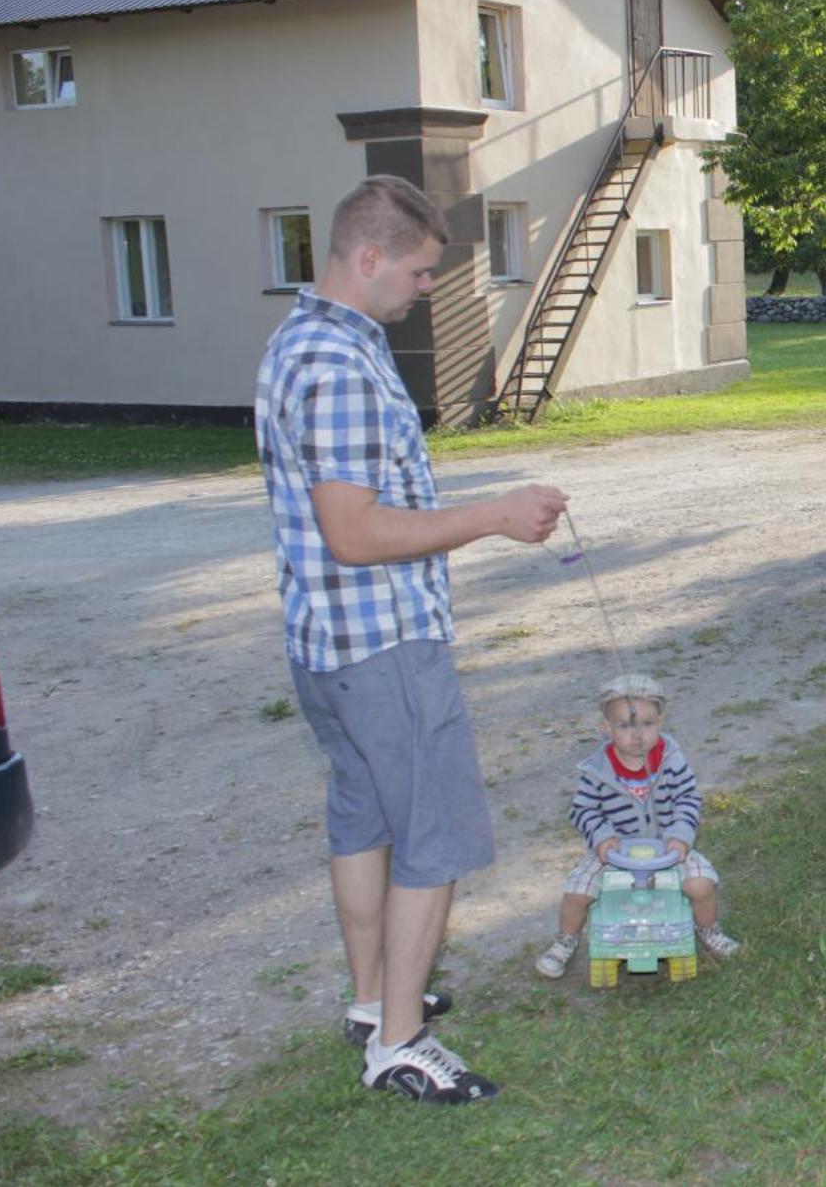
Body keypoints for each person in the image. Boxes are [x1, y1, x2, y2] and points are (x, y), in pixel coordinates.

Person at [255, 174, 568, 1104]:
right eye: (422, 271)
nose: (427, 287)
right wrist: (495, 516)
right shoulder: (344, 366)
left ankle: (370, 1001)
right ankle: (399, 1040)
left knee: (364, 822)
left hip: (326, 646)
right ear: (368, 257)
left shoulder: (300, 339)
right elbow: (354, 531)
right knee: (432, 836)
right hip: (382, 646)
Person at [536, 672, 740, 978]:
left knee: (700, 885)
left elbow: (688, 799)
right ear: (606, 728)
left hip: (668, 850)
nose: (637, 735)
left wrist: (681, 838)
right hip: (615, 853)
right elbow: (583, 810)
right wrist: (603, 839)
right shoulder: (596, 771)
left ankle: (709, 930)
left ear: (660, 722)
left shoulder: (671, 760)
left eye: (647, 724)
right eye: (625, 725)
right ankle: (566, 940)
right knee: (578, 891)